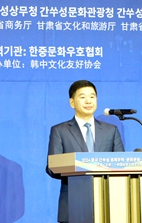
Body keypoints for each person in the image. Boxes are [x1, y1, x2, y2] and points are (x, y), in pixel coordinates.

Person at [46, 80, 124, 223]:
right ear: (72, 102)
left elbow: (122, 166)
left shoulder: (111, 130)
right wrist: (76, 165)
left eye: (92, 96)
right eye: (82, 97)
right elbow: (52, 167)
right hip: (73, 205)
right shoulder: (60, 131)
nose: (88, 101)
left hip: (107, 205)